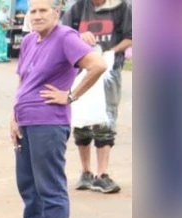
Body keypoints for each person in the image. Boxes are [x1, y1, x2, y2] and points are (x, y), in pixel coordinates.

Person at [0, 0, 107, 218]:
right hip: (25, 122)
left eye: (42, 11)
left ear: (56, 13)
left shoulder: (65, 38)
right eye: (32, 11)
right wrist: (15, 116)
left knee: (50, 185)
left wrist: (70, 96)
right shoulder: (28, 41)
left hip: (49, 122)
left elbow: (97, 65)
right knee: (27, 183)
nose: (36, 16)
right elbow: (23, 81)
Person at [64, 0, 133, 194]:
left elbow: (131, 36)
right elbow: (62, 35)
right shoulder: (77, 8)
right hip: (80, 72)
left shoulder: (122, 8)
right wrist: (78, 36)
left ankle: (102, 174)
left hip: (109, 71)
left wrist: (112, 51)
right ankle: (86, 172)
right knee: (81, 120)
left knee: (106, 117)